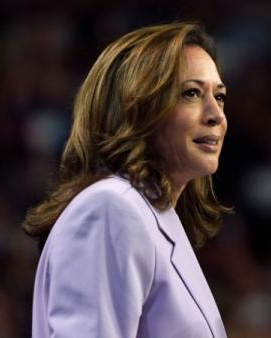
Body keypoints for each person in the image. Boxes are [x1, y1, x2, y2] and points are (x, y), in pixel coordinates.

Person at [22, 22, 231, 338]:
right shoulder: (110, 208)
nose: (215, 114)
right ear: (137, 107)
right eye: (191, 93)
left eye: (220, 95)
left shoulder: (152, 218)